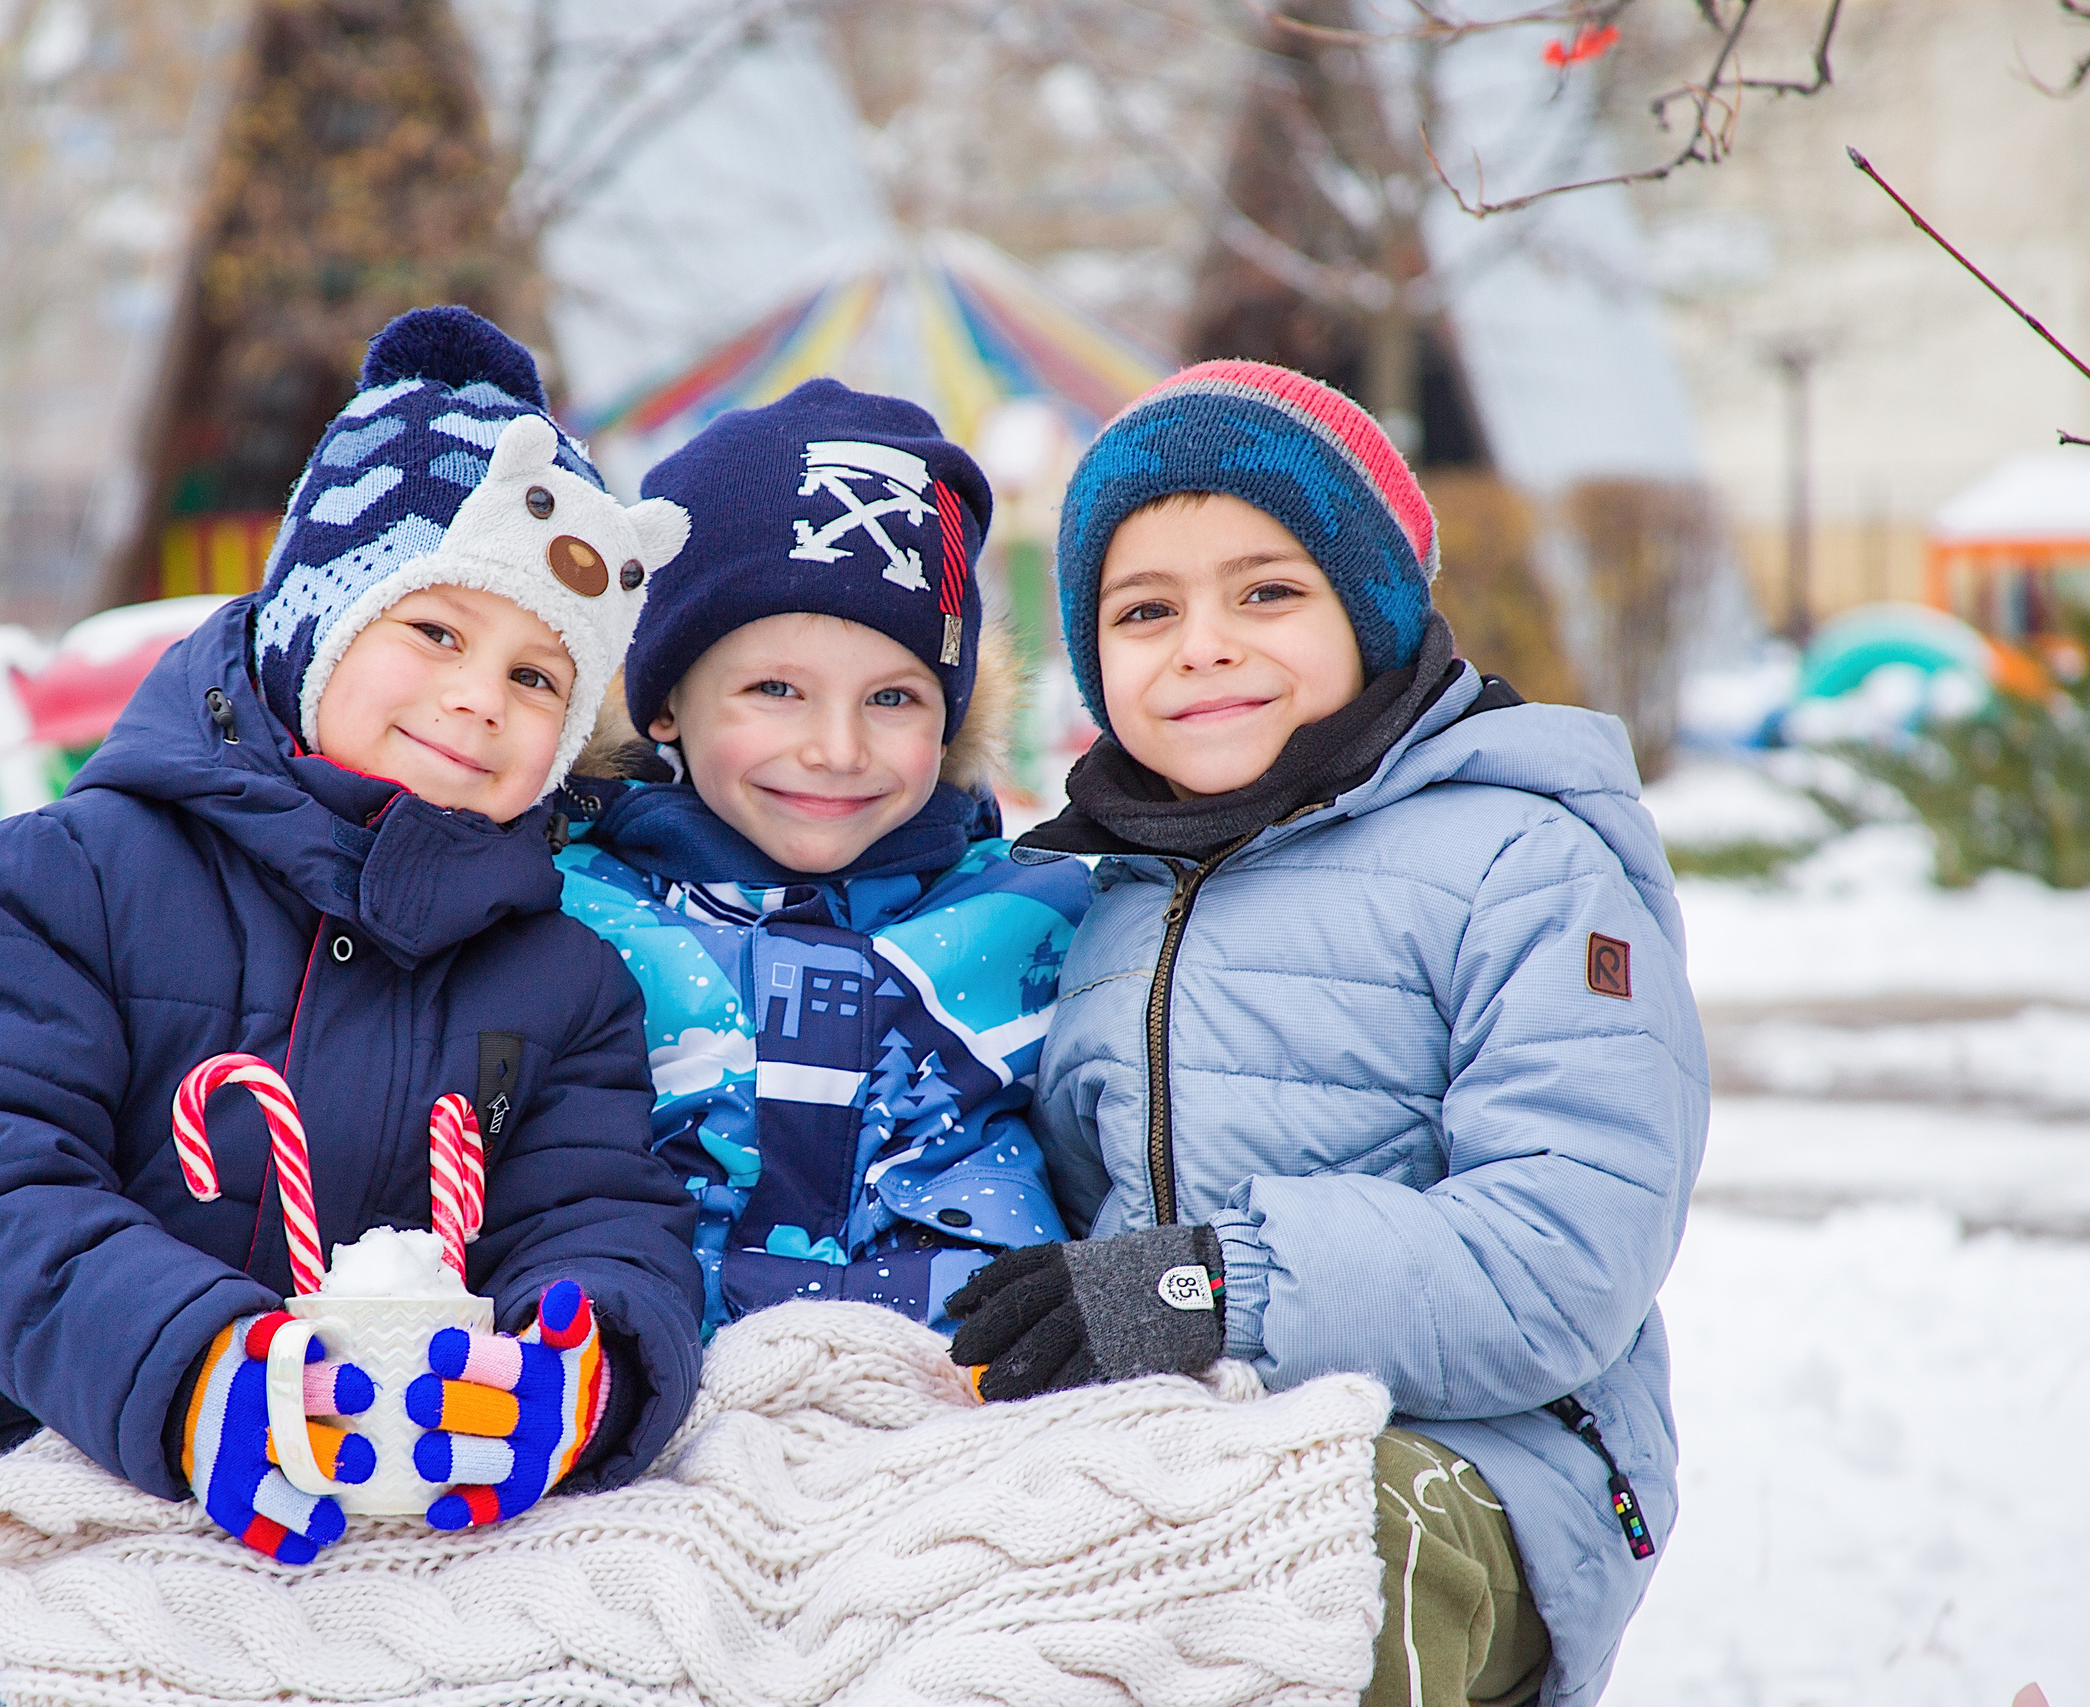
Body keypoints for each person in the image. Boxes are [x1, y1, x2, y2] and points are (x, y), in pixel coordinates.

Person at [0, 308, 706, 1703]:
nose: (478, 698)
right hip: (35, 1419)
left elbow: (595, 1208)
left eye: (537, 674)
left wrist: (580, 1362)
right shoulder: (70, 874)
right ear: (314, 612)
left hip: (399, 1474)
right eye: (434, 628)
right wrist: (198, 1369)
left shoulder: (562, 984)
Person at [945, 361, 1707, 1707]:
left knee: (1287, 1610)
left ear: (1371, 607)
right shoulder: (1109, 904)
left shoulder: (1522, 862)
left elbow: (1566, 1248)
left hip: (1473, 1464)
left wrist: (1204, 1286)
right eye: (1145, 609)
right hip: (1179, 1444)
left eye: (1267, 591)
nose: (1204, 643)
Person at [553, 381, 1089, 1336]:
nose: (837, 750)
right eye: (776, 688)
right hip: (659, 1415)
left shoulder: (1043, 926)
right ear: (666, 700)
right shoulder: (571, 920)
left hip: (970, 1420)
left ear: (953, 715)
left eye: (893, 699)